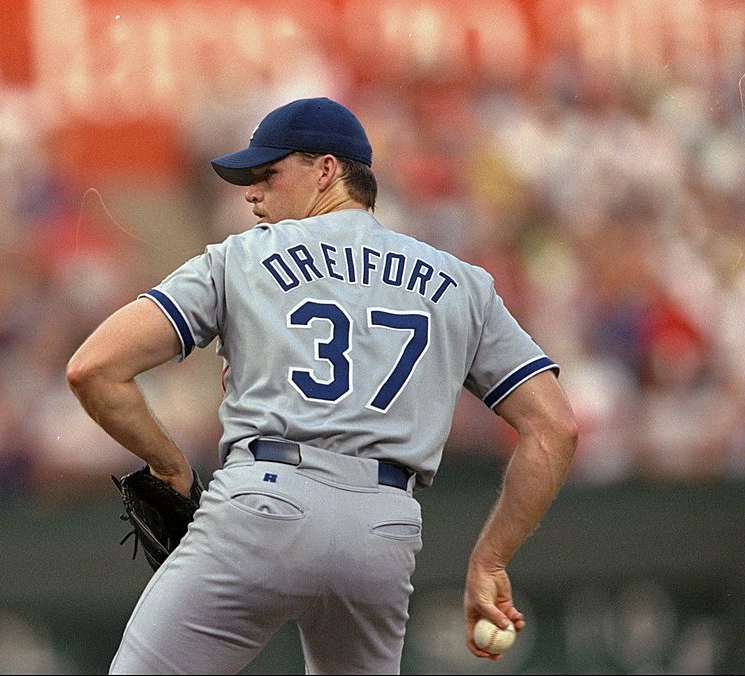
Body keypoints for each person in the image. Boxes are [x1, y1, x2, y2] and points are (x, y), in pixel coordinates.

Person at [67, 97, 578, 674]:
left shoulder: (241, 258)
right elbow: (553, 427)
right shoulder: (462, 283)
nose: (251, 192)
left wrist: (169, 467)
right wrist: (491, 560)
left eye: (268, 173)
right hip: (382, 529)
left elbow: (94, 368)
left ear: (327, 170)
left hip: (263, 501)